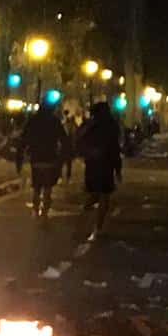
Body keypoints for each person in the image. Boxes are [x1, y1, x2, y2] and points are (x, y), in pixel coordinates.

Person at [76, 100, 123, 240]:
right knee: (104, 196)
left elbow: (79, 141)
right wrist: (118, 168)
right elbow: (115, 148)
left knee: (94, 194)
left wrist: (87, 153)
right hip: (106, 164)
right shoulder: (112, 126)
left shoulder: (90, 126)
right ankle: (98, 225)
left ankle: (86, 217)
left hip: (93, 164)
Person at [16, 99, 69, 218]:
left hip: (36, 159)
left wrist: (19, 160)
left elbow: (23, 141)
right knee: (48, 186)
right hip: (50, 159)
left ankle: (36, 209)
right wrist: (64, 159)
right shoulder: (55, 121)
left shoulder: (33, 121)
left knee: (37, 186)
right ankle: (45, 210)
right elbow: (64, 140)